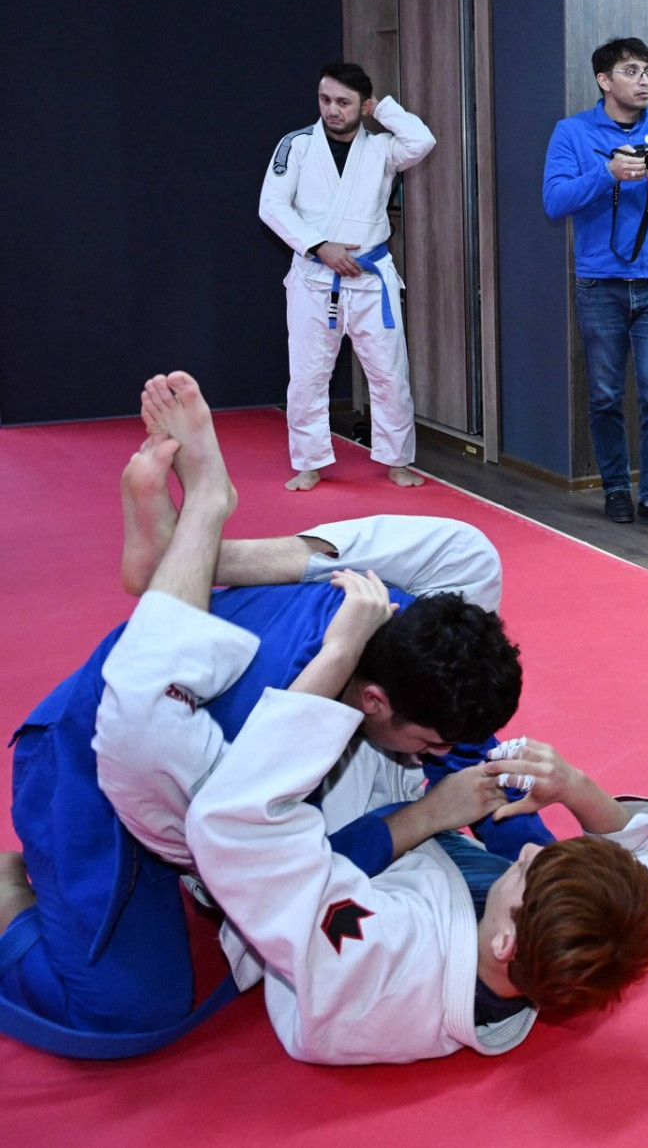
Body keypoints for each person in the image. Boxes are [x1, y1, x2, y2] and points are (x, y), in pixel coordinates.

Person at [0, 375, 536, 1057]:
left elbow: (463, 748)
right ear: (376, 701)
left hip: (187, 721)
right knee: (124, 1013)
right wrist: (426, 815)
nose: (440, 757)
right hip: (93, 766)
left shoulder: (402, 617)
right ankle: (10, 888)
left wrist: (545, 852)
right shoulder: (243, 742)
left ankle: (190, 557)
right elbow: (267, 864)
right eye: (429, 742)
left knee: (470, 558)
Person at [543, 37, 648, 532]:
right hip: (601, 285)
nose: (644, 81)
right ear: (604, 80)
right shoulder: (572, 132)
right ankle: (616, 489)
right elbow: (554, 202)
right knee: (605, 395)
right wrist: (608, 173)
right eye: (632, 71)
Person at [260, 63, 435, 492]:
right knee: (307, 377)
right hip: (314, 278)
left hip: (371, 279)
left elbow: (422, 140)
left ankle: (397, 460)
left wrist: (385, 109)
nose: (332, 110)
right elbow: (272, 206)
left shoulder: (383, 149)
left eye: (343, 102)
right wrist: (320, 246)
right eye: (325, 100)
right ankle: (309, 463)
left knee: (390, 375)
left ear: (364, 106)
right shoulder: (297, 145)